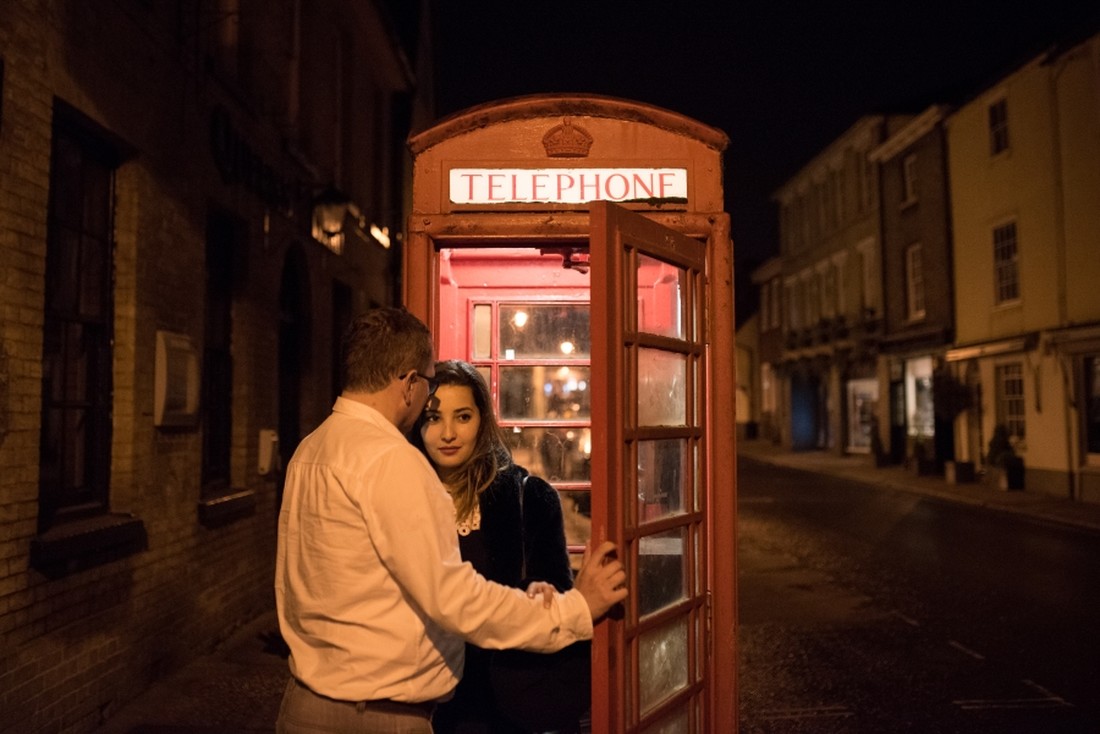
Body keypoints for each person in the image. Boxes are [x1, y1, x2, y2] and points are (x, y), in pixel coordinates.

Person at [274, 308, 626, 734]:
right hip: (379, 714)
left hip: (305, 704)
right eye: (427, 388)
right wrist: (576, 610)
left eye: (463, 416)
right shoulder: (392, 462)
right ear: (407, 384)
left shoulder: (309, 452)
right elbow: (452, 597)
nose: (437, 418)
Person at [410, 360, 580, 733]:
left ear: (482, 421)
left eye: (464, 416)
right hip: (423, 696)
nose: (449, 433)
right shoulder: (401, 498)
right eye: (433, 418)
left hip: (505, 697)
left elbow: (556, 588)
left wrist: (539, 588)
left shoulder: (529, 499)